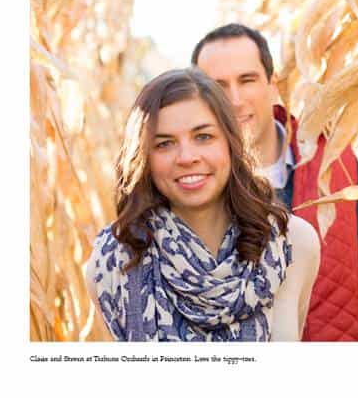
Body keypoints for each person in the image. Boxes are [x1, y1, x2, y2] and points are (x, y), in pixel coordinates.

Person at [192, 23, 358, 341]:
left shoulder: (334, 165)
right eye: (218, 87)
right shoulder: (190, 189)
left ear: (272, 85)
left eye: (247, 80)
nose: (236, 99)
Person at [86, 68, 320, 341]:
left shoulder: (293, 244)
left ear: (231, 143)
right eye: (164, 144)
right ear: (144, 157)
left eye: (203, 137)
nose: (186, 157)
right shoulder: (112, 264)